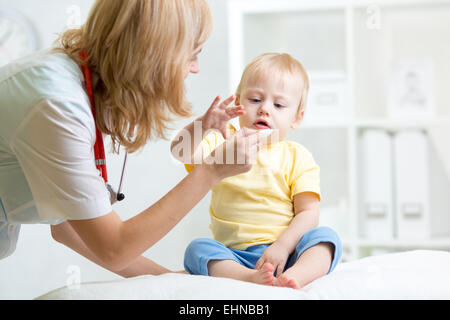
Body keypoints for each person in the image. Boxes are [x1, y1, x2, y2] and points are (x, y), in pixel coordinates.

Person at [0, 0, 262, 278]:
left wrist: (172, 282)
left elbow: (69, 228)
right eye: (192, 55)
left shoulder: (77, 88)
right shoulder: (56, 104)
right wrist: (211, 171)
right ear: (153, 56)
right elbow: (113, 248)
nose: (195, 68)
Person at [170, 53, 342, 289]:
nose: (264, 110)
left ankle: (295, 277)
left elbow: (309, 213)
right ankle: (247, 277)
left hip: (286, 254)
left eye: (278, 105)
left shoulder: (297, 157)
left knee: (326, 239)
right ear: (238, 102)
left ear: (296, 118)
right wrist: (202, 125)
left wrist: (282, 247)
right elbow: (180, 152)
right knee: (197, 250)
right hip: (233, 255)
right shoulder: (224, 143)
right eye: (254, 100)